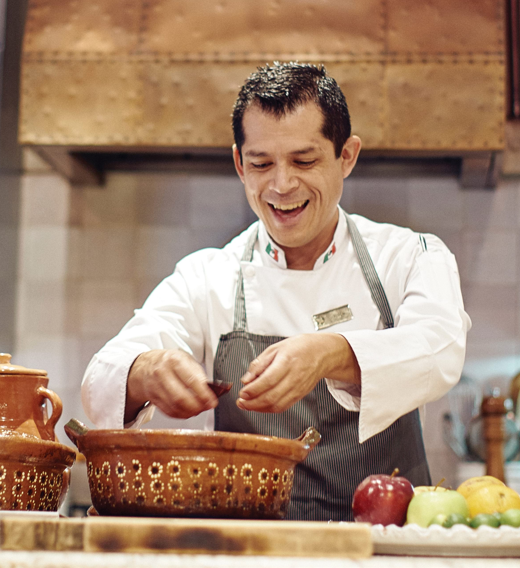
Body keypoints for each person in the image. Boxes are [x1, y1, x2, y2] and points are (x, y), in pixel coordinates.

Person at [82, 62, 471, 521]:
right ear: (239, 165)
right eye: (261, 164)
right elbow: (103, 375)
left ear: (346, 156)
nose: (282, 185)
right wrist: (146, 370)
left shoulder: (410, 256)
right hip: (250, 545)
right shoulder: (208, 275)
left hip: (383, 546)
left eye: (304, 161)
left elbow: (440, 346)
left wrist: (331, 353)